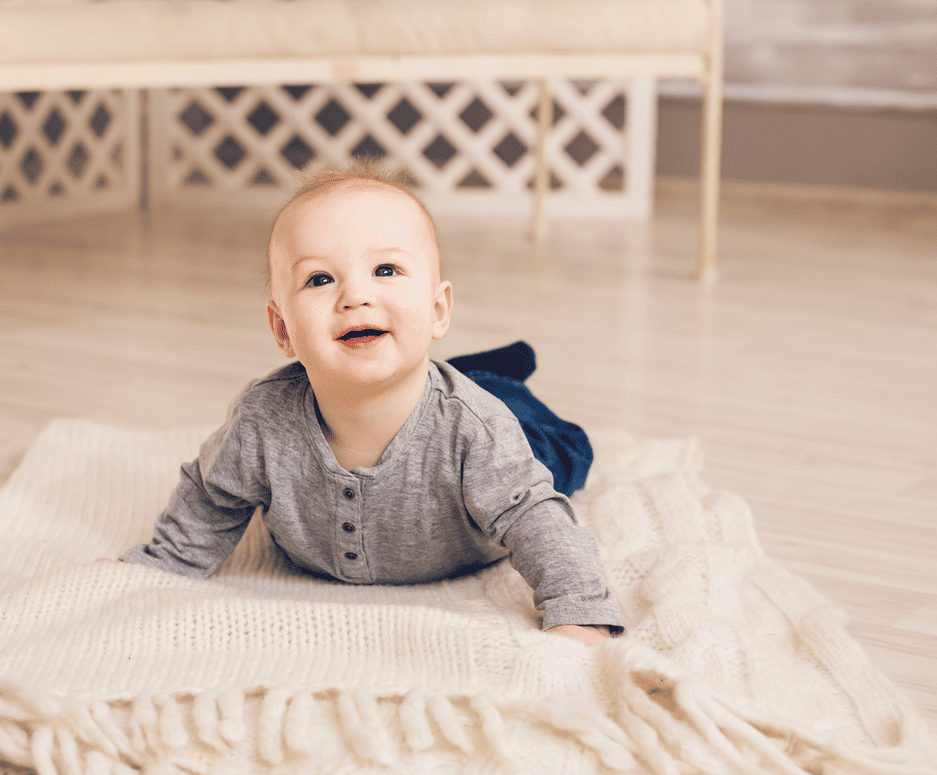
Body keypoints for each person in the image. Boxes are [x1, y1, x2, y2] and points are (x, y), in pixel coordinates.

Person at [119, 163, 622, 645]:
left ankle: (496, 377)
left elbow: (535, 516)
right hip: (437, 389)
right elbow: (212, 496)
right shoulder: (262, 421)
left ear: (437, 309)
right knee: (465, 385)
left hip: (510, 430)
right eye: (320, 279)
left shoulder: (477, 430)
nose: (355, 295)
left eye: (386, 269)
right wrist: (165, 567)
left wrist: (577, 610)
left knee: (559, 452)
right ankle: (478, 370)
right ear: (282, 329)